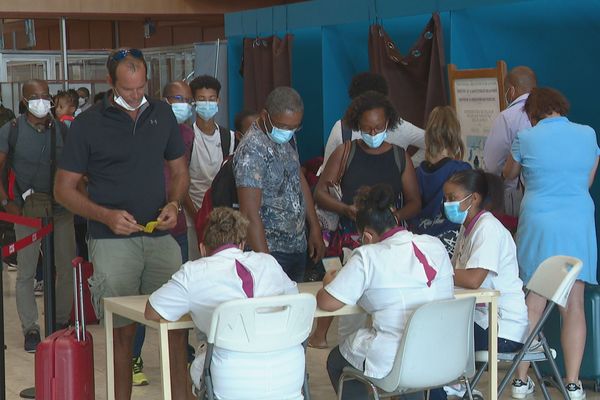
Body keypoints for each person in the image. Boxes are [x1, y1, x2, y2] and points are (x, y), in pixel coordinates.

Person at [54, 48, 190, 400]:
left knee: (177, 327)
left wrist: (174, 203)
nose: (137, 95)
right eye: (128, 89)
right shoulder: (88, 124)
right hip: (112, 241)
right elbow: (63, 190)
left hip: (160, 236)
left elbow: (178, 171)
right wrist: (106, 216)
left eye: (142, 86)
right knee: (122, 332)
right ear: (110, 82)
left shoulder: (162, 113)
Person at [145, 207, 302, 399]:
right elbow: (295, 301)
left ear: (202, 248)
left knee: (194, 363)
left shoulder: (193, 273)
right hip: (288, 376)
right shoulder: (268, 263)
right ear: (242, 245)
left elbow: (153, 311)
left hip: (232, 383)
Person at [503, 87, 599, 400]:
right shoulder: (588, 134)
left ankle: (519, 380)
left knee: (533, 299)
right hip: (577, 223)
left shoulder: (527, 137)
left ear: (532, 114)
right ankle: (572, 384)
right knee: (574, 303)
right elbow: (586, 181)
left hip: (539, 223)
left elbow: (508, 174)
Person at [317, 183, 454, 400]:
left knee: (336, 361)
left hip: (397, 361)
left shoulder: (367, 256)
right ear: (394, 219)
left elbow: (327, 303)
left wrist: (328, 281)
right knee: (411, 367)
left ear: (367, 236)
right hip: (445, 356)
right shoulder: (434, 245)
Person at [308, 90, 421, 348]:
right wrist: (345, 208)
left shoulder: (399, 156)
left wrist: (395, 216)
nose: (372, 134)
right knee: (346, 292)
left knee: (381, 296)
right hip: (351, 235)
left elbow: (415, 201)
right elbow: (320, 192)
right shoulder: (345, 152)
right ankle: (341, 342)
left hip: (388, 237)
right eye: (367, 129)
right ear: (358, 126)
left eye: (378, 128)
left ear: (388, 125)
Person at [0, 79, 75, 352]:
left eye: (46, 96)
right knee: (27, 272)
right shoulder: (11, 131)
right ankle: (30, 328)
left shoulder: (62, 131)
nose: (42, 101)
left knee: (66, 267)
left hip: (61, 206)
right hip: (28, 207)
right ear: (24, 101)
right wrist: (7, 201)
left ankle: (60, 322)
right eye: (36, 97)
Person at [130, 80, 195, 387]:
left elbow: (185, 177)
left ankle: (179, 358)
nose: (184, 105)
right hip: (144, 226)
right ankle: (133, 356)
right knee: (143, 298)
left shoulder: (187, 133)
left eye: (188, 100)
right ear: (164, 101)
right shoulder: (146, 132)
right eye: (177, 99)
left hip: (177, 228)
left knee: (178, 297)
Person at [442, 169, 529, 398]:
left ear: (474, 198)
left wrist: (439, 272)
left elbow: (472, 279)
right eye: (446, 198)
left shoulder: (488, 228)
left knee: (435, 330)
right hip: (482, 319)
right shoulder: (468, 228)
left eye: (452, 198)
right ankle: (455, 385)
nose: (447, 203)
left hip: (502, 328)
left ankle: (453, 386)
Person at [234, 86, 325, 282]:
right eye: (283, 126)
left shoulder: (287, 135)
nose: (289, 132)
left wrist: (314, 227)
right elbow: (249, 213)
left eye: (295, 127)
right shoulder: (251, 150)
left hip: (297, 246)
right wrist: (267, 266)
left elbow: (297, 178)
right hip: (269, 249)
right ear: (265, 115)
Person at [323, 71, 425, 166]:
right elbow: (435, 144)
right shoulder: (402, 127)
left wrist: (407, 166)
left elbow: (326, 169)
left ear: (355, 104)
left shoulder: (341, 128)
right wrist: (407, 166)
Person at [184, 74, 235, 261]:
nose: (207, 104)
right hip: (192, 219)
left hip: (220, 219)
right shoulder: (187, 137)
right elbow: (181, 181)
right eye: (202, 99)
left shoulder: (228, 137)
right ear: (194, 103)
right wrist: (197, 216)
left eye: (211, 99)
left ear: (218, 100)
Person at [411, 106, 470, 255]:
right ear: (455, 135)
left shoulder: (416, 173)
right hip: (450, 242)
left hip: (420, 241)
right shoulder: (461, 170)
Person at [483, 66, 537, 216]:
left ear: (511, 91)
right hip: (543, 194)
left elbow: (492, 165)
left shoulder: (507, 117)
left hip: (514, 195)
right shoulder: (545, 114)